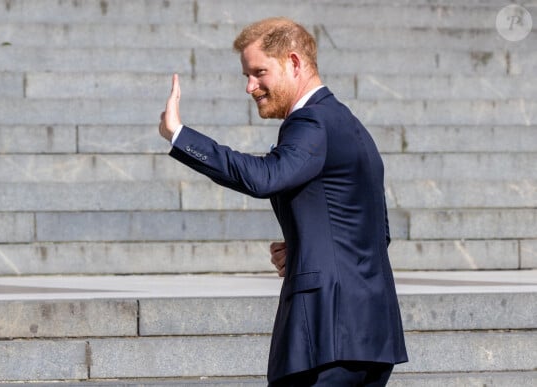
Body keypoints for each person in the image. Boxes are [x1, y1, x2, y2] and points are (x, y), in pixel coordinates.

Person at [159, 17, 408, 387]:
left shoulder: (311, 122)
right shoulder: (348, 124)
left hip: (328, 337)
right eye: (246, 75)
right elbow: (375, 231)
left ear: (294, 62)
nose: (250, 86)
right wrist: (310, 247)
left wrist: (179, 135)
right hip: (370, 335)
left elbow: (265, 177)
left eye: (259, 72)